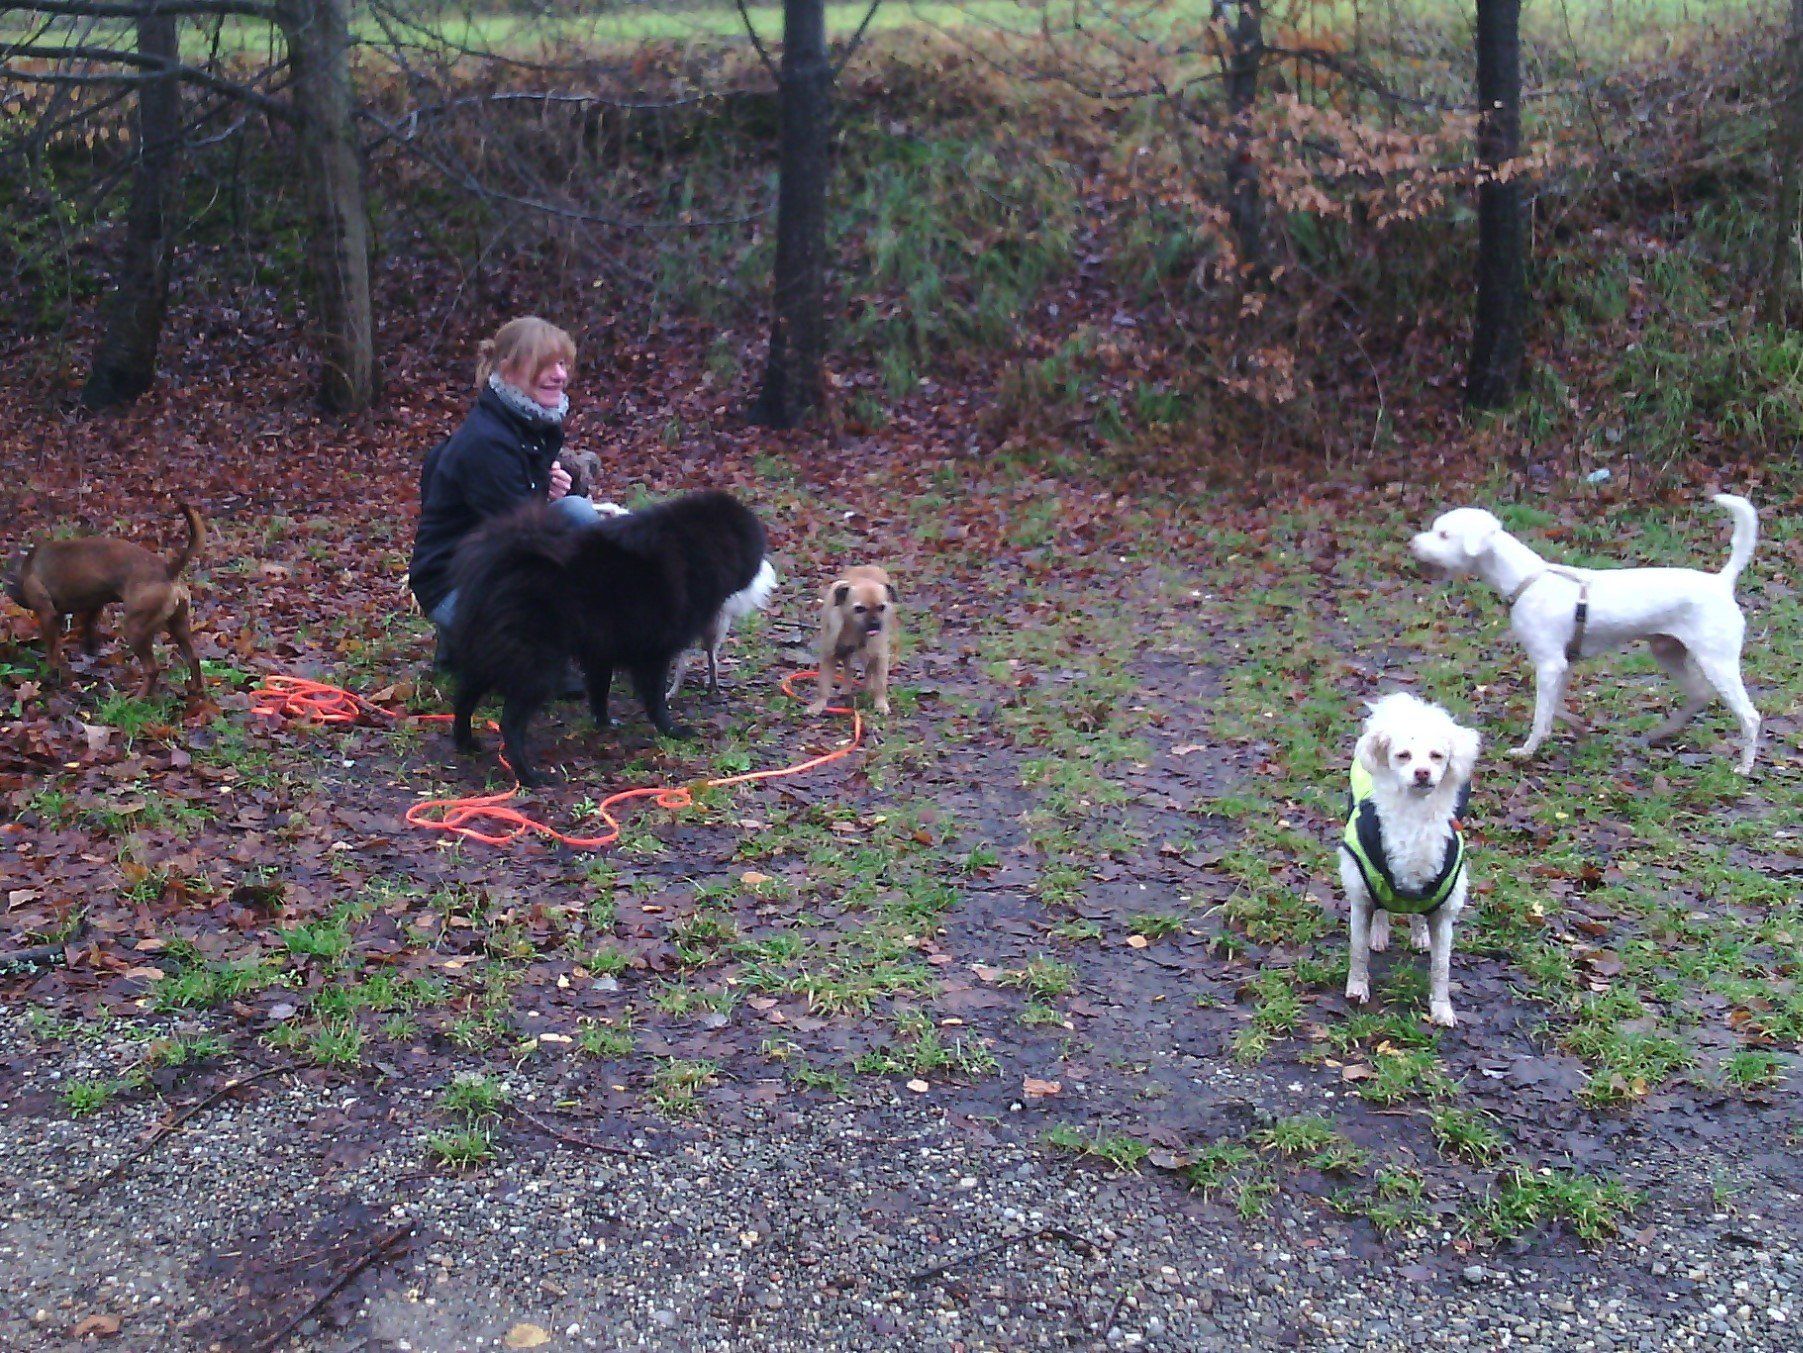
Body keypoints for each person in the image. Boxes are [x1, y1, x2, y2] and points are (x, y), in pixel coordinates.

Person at [408, 317, 601, 661]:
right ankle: (466, 640)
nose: (559, 375)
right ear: (509, 370)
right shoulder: (487, 440)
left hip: (491, 564)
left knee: (577, 513)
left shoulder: (529, 420)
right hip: (452, 585)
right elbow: (523, 544)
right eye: (546, 365)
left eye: (562, 364)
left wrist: (547, 487)